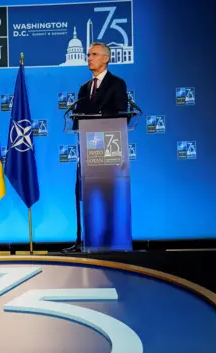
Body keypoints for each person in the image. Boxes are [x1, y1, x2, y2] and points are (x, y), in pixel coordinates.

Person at [62, 42, 128, 253]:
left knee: (109, 199)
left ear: (106, 58)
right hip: (88, 155)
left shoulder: (117, 84)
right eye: (88, 54)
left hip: (108, 155)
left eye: (94, 54)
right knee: (82, 195)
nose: (89, 58)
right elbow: (78, 121)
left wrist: (99, 123)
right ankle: (83, 239)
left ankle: (109, 239)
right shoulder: (84, 88)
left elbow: (120, 114)